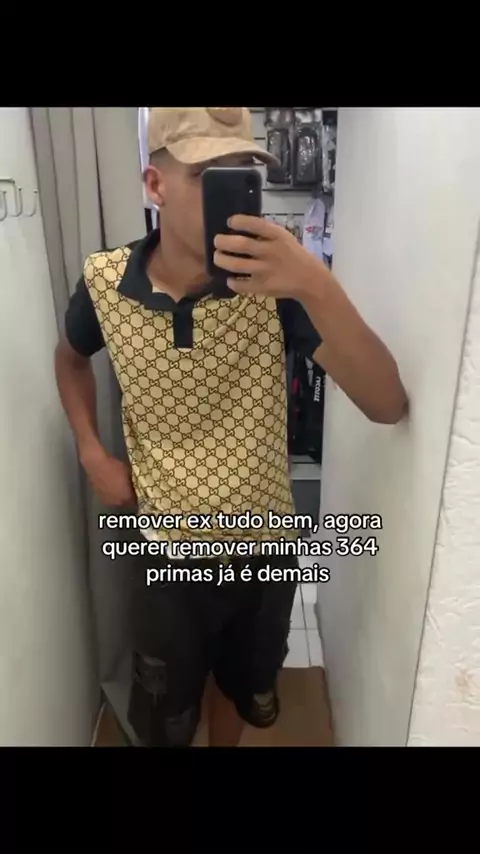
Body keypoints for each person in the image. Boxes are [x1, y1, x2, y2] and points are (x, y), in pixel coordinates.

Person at [54, 107, 408, 747]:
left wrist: (316, 284)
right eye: (208, 177)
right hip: (165, 553)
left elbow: (386, 403)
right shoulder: (106, 283)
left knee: (243, 688)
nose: (233, 198)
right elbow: (70, 358)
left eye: (243, 175)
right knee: (167, 703)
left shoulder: (277, 288)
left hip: (263, 548)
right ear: (155, 186)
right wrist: (90, 451)